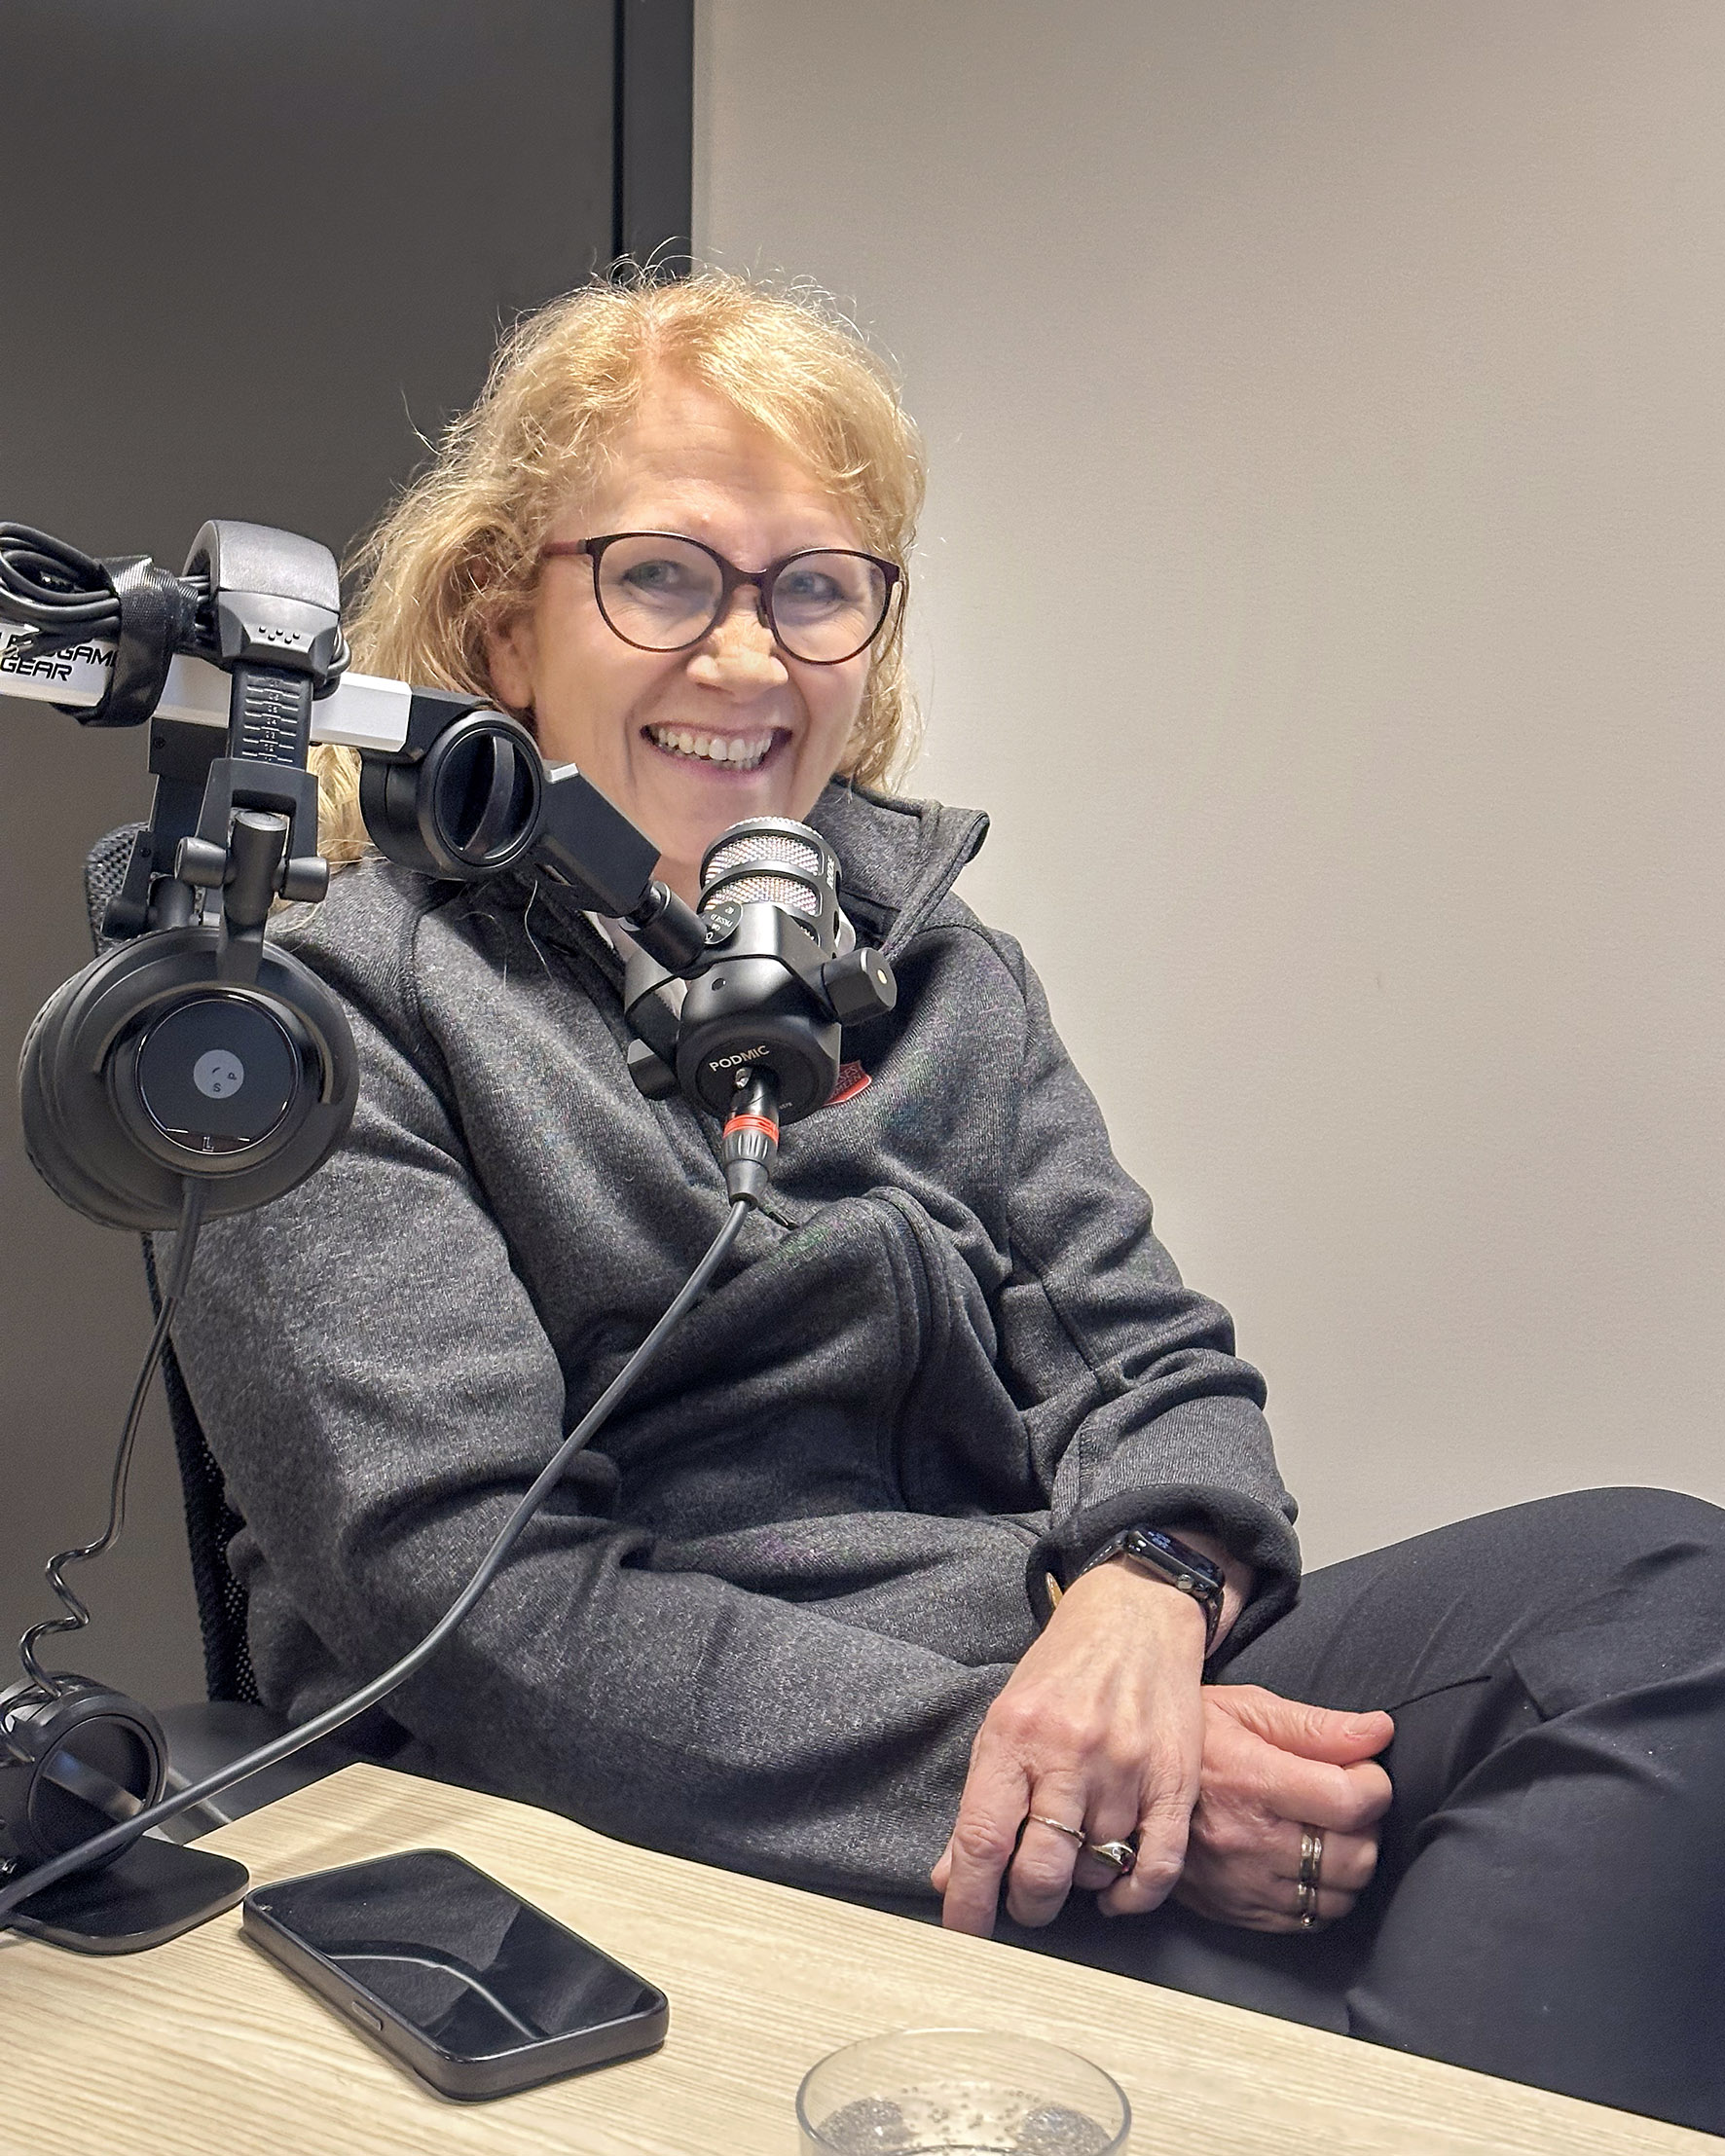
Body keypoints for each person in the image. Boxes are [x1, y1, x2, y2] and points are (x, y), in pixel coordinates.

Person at [168, 272, 1725, 2138]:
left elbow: (1149, 1360)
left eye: (814, 589)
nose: (748, 660)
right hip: (687, 1777)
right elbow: (474, 1606)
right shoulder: (312, 1020)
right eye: (662, 577)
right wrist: (1041, 1774)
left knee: (1662, 1593)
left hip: (1060, 1669)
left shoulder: (927, 962)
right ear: (506, 628)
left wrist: (1141, 1607)